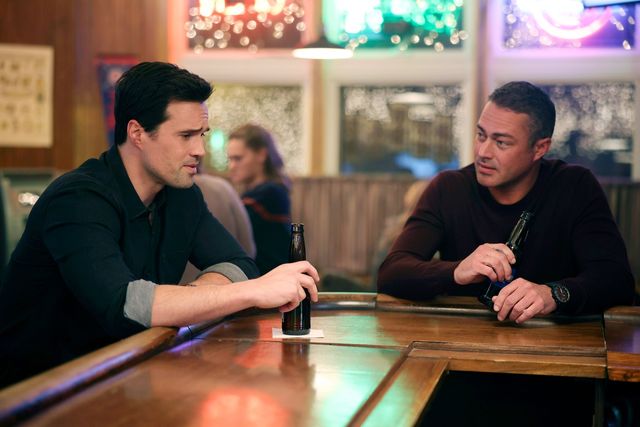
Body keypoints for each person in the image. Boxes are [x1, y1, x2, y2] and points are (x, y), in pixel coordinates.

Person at [0, 62, 319, 387]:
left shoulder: (181, 194)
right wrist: (250, 292)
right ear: (137, 133)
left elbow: (238, 263)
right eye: (186, 136)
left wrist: (186, 300)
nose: (200, 150)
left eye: (202, 134)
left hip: (121, 373)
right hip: (37, 391)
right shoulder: (78, 198)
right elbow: (125, 305)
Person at [378, 81, 635, 324]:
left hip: (558, 343)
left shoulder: (574, 186)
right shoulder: (449, 188)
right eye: (481, 135)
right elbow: (391, 274)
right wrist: (456, 271)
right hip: (463, 339)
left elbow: (616, 281)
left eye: (501, 142)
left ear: (539, 148)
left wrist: (553, 294)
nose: (483, 152)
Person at [226, 124, 291, 275]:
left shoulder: (271, 193)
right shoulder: (257, 193)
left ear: (261, 155)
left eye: (238, 159)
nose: (232, 166)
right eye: (229, 159)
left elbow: (229, 229)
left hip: (273, 281)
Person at [181, 173, 256, 283]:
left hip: (201, 287)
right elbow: (248, 248)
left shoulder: (189, 193)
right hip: (226, 285)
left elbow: (244, 261)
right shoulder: (222, 187)